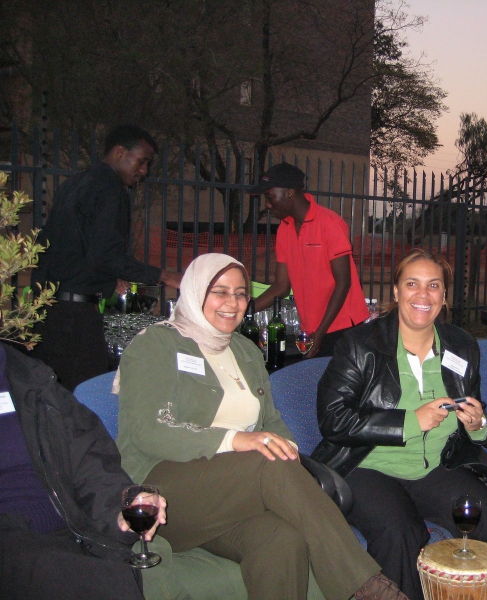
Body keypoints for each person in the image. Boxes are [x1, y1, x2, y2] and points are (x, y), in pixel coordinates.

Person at [115, 253, 405, 600]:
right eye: (220, 292)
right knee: (266, 461)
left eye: (240, 294)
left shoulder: (245, 351)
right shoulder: (157, 344)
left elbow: (271, 423)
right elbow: (149, 430)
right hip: (167, 494)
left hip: (234, 495)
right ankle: (366, 587)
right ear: (194, 291)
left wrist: (288, 453)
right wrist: (236, 440)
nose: (232, 303)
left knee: (281, 541)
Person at [312, 249, 487, 600]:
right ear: (396, 292)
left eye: (434, 285)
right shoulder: (360, 345)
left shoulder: (461, 345)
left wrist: (477, 424)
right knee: (400, 532)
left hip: (436, 466)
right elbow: (333, 418)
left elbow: (475, 416)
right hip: (367, 465)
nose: (423, 295)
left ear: (444, 295)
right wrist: (411, 421)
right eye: (412, 284)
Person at [0, 343, 167, 600]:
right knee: (82, 577)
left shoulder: (30, 378)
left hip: (69, 528)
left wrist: (118, 509)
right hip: (16, 542)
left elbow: (90, 461)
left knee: (108, 577)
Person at [30, 124, 182, 391]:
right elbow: (105, 254)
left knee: (53, 394)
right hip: (75, 316)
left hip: (48, 309)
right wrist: (165, 276)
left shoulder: (75, 183)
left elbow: (74, 249)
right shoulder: (110, 189)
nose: (144, 171)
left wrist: (108, 278)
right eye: (142, 161)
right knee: (89, 393)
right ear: (120, 152)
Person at [250, 162, 368, 357]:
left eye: (270, 197)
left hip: (343, 328)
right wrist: (245, 310)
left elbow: (343, 282)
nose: (267, 205)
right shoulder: (284, 229)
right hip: (313, 329)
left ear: (290, 193)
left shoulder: (329, 223)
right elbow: (281, 287)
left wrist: (321, 332)